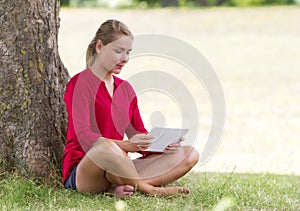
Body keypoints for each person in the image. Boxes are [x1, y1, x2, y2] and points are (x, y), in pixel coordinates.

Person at [62, 19, 199, 197]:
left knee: (189, 153)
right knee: (105, 148)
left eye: (128, 52)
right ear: (99, 46)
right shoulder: (79, 84)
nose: (125, 59)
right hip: (86, 170)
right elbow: (84, 136)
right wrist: (126, 146)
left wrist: (160, 145)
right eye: (118, 51)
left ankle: (121, 187)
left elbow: (137, 134)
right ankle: (149, 189)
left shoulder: (125, 88)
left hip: (118, 167)